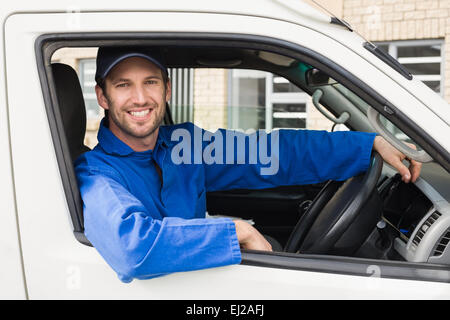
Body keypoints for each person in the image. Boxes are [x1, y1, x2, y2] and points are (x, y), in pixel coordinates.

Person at [74, 46, 422, 283]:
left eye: (150, 82)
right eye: (123, 85)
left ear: (166, 89)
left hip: (201, 291)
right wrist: (236, 231)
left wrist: (367, 144)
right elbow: (134, 247)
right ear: (103, 96)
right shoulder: (97, 172)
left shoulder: (184, 146)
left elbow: (270, 152)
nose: (139, 98)